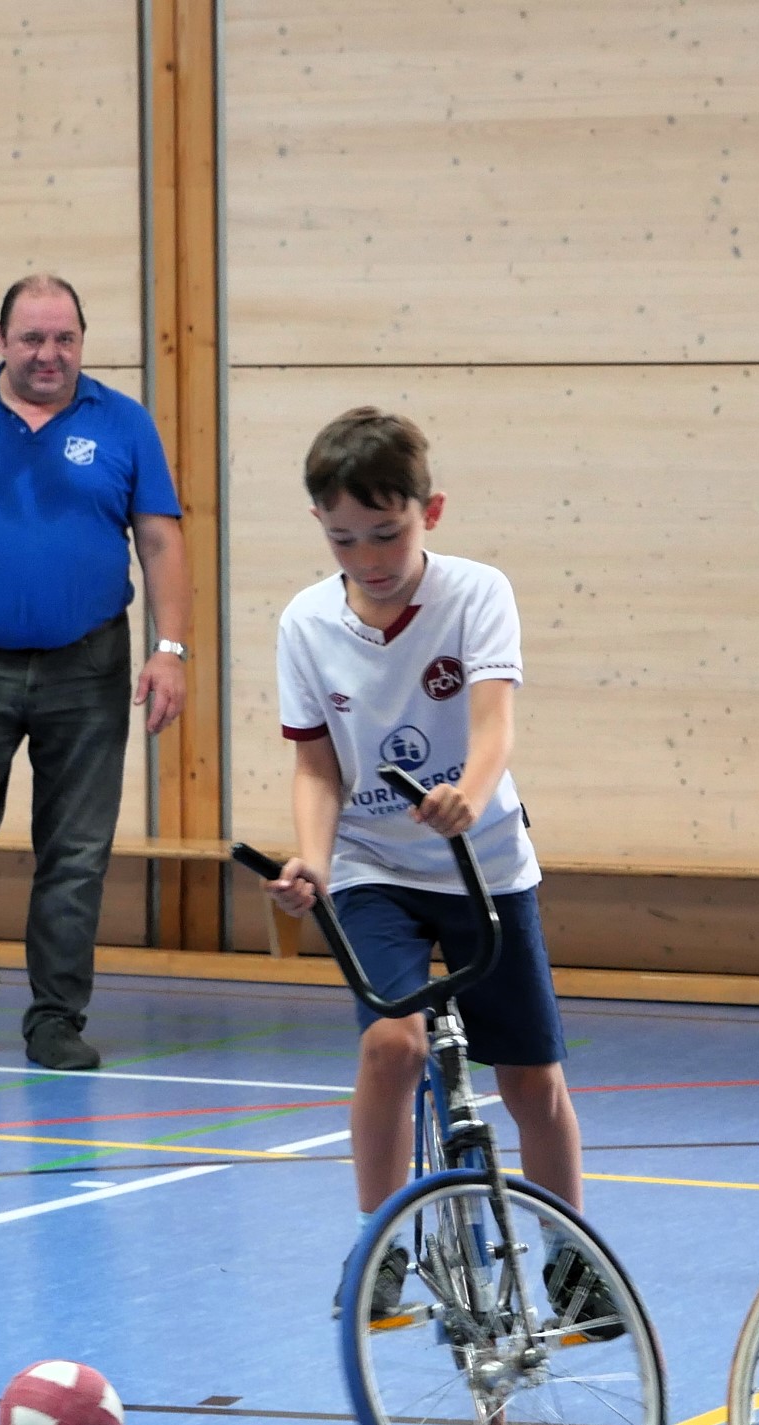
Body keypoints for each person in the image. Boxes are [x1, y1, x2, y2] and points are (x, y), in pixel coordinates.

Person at [259, 408, 590, 1322]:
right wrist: (313, 864)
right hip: (371, 865)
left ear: (429, 511)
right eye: (343, 538)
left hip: (482, 863)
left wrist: (469, 795)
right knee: (392, 1042)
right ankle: (382, 1240)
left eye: (387, 532)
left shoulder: (477, 593)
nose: (367, 555)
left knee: (531, 1081)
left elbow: (493, 725)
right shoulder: (305, 622)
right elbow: (317, 763)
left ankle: (570, 1251)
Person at [0, 274, 191, 1072]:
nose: (49, 355)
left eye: (65, 339)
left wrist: (171, 649)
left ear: (81, 341)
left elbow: (160, 541)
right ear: (1, 340)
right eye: (32, 339)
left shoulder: (122, 423)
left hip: (88, 665)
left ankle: (55, 1015)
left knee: (74, 852)